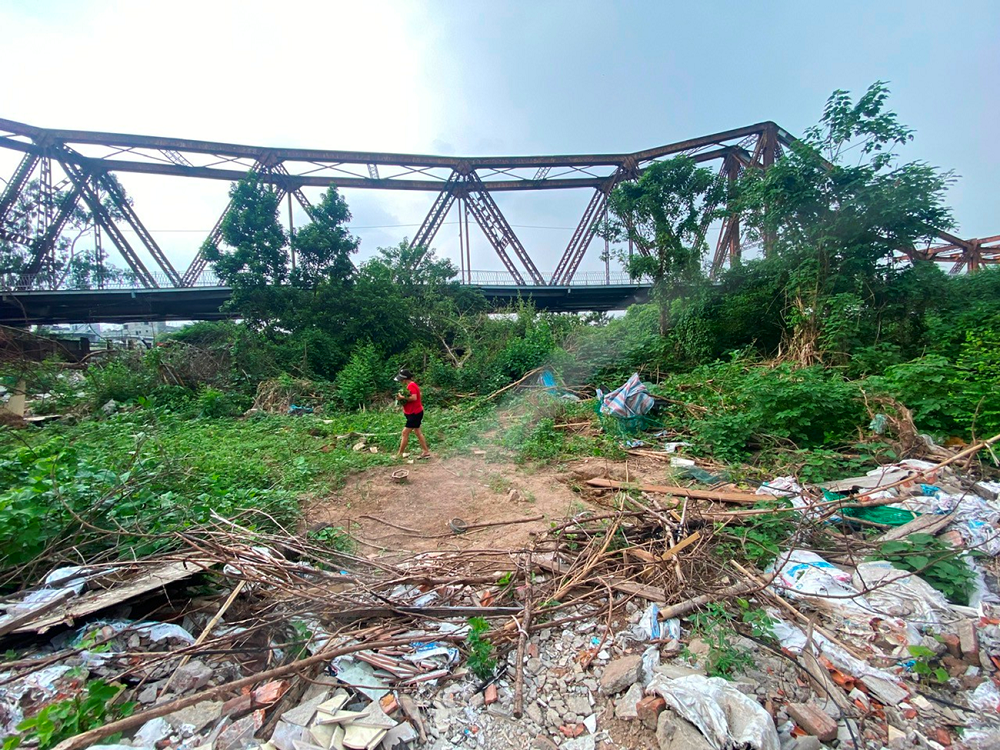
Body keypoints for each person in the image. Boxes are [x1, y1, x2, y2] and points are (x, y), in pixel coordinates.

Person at [394, 368, 430, 460]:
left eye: (401, 380)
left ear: (405, 379)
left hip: (415, 413)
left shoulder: (411, 386)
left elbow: (414, 398)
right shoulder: (408, 386)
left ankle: (399, 454)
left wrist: (402, 398)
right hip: (413, 413)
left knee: (405, 433)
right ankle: (426, 451)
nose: (400, 382)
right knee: (418, 432)